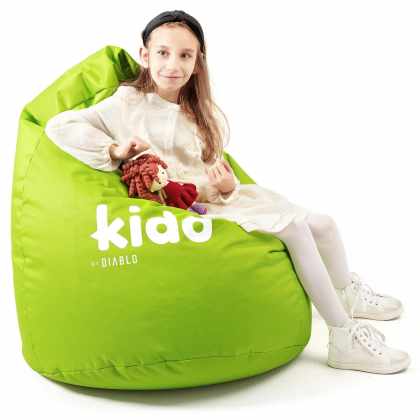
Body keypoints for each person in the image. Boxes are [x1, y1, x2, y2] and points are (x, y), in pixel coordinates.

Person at [44, 10, 411, 374]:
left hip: (215, 199)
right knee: (294, 229)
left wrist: (226, 186)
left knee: (324, 224)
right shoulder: (126, 104)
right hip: (187, 210)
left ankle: (346, 295)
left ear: (197, 62)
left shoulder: (197, 113)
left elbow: (208, 172)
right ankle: (343, 336)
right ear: (145, 55)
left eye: (185, 55)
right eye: (163, 53)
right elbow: (59, 126)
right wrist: (114, 150)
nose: (173, 65)